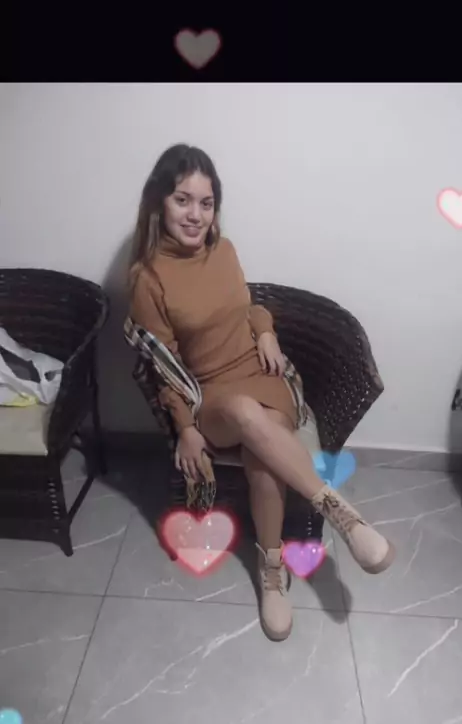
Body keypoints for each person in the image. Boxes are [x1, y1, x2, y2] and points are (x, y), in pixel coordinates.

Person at [128, 144, 395, 642]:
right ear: (159, 201)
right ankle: (340, 514)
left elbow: (247, 305)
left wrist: (266, 330)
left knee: (263, 456)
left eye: (206, 203)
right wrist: (184, 428)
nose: (196, 215)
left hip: (264, 376)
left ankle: (272, 570)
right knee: (245, 413)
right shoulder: (148, 278)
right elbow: (164, 366)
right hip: (213, 398)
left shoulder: (224, 250)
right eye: (183, 200)